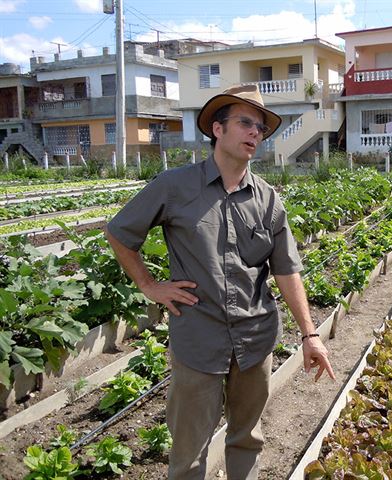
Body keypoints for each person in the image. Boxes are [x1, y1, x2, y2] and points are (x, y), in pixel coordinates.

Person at [105, 84, 335, 480]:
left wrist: (310, 335)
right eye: (245, 123)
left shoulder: (267, 199)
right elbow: (120, 233)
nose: (255, 134)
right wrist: (149, 285)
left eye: (261, 128)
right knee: (189, 450)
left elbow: (286, 270)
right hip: (198, 340)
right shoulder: (174, 187)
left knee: (247, 438)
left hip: (255, 338)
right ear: (217, 129)